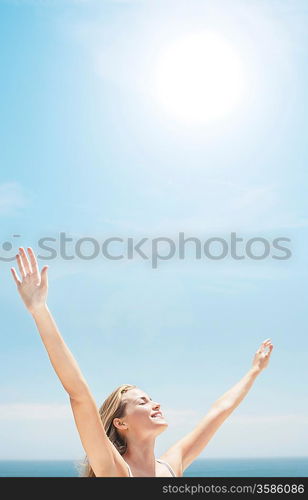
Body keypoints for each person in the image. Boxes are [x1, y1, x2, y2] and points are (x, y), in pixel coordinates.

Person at [10, 247, 274, 477]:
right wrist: (39, 310)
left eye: (150, 398)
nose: (156, 403)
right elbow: (78, 393)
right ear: (120, 423)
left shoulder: (172, 466)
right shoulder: (113, 470)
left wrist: (254, 371)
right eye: (142, 401)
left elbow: (218, 412)